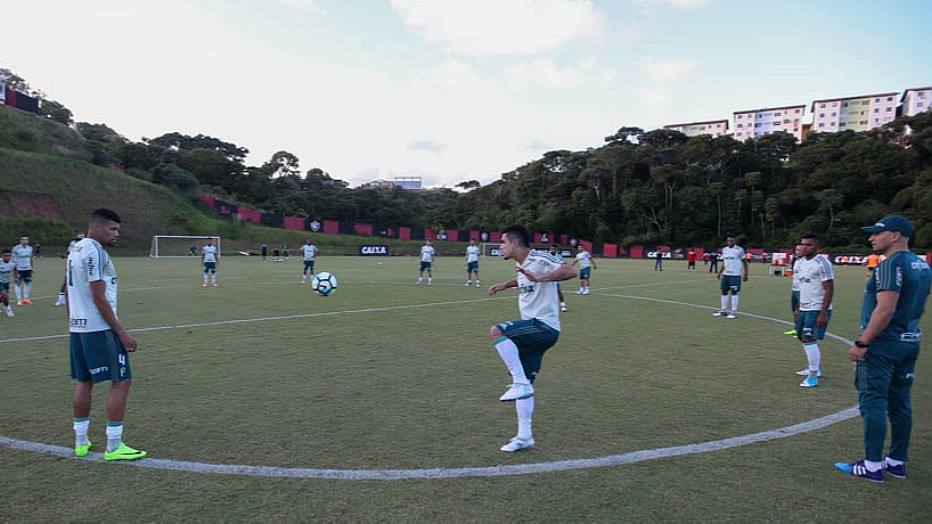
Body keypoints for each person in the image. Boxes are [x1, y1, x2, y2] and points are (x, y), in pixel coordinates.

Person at [835, 215, 930, 482]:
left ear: (895, 235)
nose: (871, 238)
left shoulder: (890, 265)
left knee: (873, 402)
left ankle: (872, 464)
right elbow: (918, 306)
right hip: (909, 341)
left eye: (878, 233)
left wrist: (863, 342)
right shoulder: (921, 265)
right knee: (901, 403)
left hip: (883, 344)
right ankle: (897, 461)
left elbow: (885, 308)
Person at [67, 209, 147, 461]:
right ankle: (114, 445)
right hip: (99, 328)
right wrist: (121, 333)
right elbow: (98, 296)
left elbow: (69, 290)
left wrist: (72, 321)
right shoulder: (95, 252)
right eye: (112, 229)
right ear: (97, 227)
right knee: (122, 380)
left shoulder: (76, 249)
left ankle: (81, 441)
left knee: (84, 380)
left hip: (78, 326)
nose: (116, 234)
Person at [487, 225, 576, 452]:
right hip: (534, 332)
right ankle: (524, 436)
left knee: (498, 331)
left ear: (515, 243)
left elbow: (569, 272)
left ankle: (518, 382)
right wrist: (504, 285)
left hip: (544, 326)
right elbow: (524, 279)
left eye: (503, 242)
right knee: (526, 386)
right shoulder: (521, 265)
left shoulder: (540, 257)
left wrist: (540, 278)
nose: (501, 247)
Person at [793, 235, 834, 387]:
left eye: (808, 245)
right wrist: (798, 307)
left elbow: (829, 288)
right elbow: (802, 287)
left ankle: (813, 376)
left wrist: (823, 313)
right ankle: (813, 367)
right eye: (802, 244)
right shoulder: (801, 262)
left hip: (817, 307)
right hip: (804, 306)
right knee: (801, 336)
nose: (804, 247)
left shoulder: (822, 263)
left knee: (808, 338)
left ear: (817, 248)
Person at [713, 235, 748, 319]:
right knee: (724, 291)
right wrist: (719, 273)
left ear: (734, 241)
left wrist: (746, 274)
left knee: (734, 292)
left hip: (735, 275)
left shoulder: (739, 250)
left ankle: (733, 312)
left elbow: (745, 262)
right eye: (728, 240)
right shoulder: (724, 249)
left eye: (731, 241)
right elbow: (725, 262)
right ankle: (723, 310)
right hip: (726, 275)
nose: (730, 242)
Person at [56, 233, 86, 306]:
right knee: (66, 282)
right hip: (71, 265)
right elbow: (69, 253)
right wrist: (64, 255)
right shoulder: (73, 243)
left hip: (82, 266)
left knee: (82, 283)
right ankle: (60, 299)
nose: (81, 238)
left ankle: (80, 299)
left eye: (82, 236)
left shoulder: (86, 244)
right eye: (80, 236)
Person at [783, 244, 802, 337]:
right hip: (794, 289)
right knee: (794, 311)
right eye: (796, 250)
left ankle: (801, 331)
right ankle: (796, 329)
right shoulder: (796, 261)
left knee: (800, 311)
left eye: (800, 250)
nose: (797, 252)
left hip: (802, 290)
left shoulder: (806, 262)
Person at [11, 235, 33, 305]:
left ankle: (26, 299)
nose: (25, 241)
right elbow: (13, 259)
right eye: (23, 240)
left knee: (27, 283)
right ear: (20, 241)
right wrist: (14, 269)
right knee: (18, 283)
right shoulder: (16, 248)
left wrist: (31, 267)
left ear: (28, 241)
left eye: (26, 240)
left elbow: (30, 258)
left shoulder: (30, 248)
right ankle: (19, 300)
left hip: (28, 268)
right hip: (19, 269)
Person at [549, 244, 568, 312]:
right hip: (547, 276)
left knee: (558, 291)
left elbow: (564, 263)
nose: (552, 250)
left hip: (555, 276)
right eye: (551, 249)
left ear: (556, 250)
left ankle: (563, 305)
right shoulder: (546, 255)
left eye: (554, 249)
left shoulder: (559, 256)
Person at [0, 249, 17, 317]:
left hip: (6, 282)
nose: (7, 257)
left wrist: (16, 277)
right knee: (5, 295)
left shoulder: (13, 262)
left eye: (9, 256)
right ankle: (8, 309)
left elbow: (15, 269)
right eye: (5, 256)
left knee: (2, 298)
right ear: (2, 256)